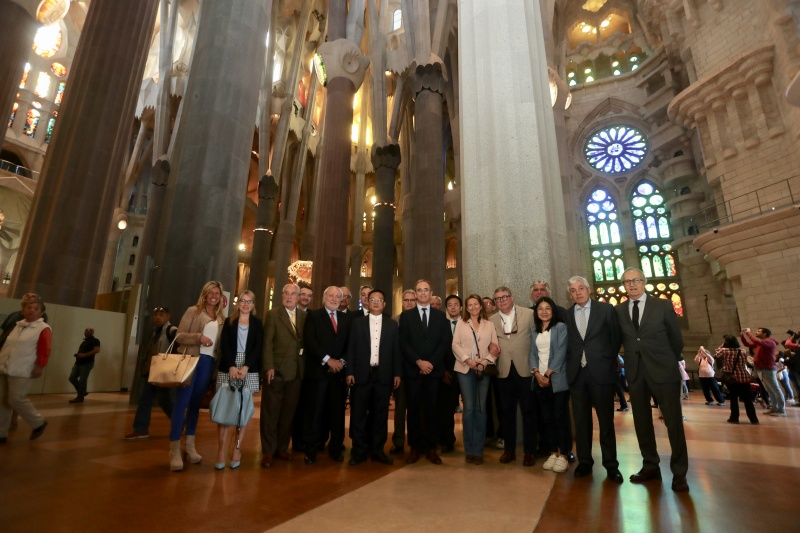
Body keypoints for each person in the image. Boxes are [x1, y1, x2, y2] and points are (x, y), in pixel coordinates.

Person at [615, 267, 688, 492]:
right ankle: (650, 466)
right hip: (636, 373)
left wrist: (666, 360)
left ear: (644, 281)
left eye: (636, 280)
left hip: (663, 371)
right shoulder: (619, 311)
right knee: (642, 422)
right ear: (624, 286)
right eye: (627, 282)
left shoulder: (663, 305)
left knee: (673, 422)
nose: (632, 285)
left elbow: (676, 340)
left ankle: (679, 473)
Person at [564, 276, 623, 483]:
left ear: (588, 289)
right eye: (573, 290)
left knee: (606, 422)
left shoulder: (606, 310)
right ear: (570, 294)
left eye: (581, 288)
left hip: (601, 372)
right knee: (581, 422)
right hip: (577, 375)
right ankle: (585, 462)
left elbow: (615, 338)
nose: (577, 292)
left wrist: (605, 358)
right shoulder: (567, 314)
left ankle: (611, 465)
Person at [169, 280, 226, 472]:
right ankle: (174, 449)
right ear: (204, 294)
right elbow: (179, 335)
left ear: (220, 296)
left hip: (208, 363)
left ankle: (190, 447)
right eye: (211, 292)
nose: (214, 296)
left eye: (217, 293)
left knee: (195, 406)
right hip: (191, 360)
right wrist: (198, 338)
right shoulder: (193, 311)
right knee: (181, 404)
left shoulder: (220, 317)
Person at [345, 289, 402, 465]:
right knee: (358, 414)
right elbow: (351, 349)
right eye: (372, 299)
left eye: (380, 299)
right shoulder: (357, 323)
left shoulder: (392, 325)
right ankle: (359, 451)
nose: (376, 302)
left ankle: (378, 450)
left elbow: (396, 352)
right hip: (361, 375)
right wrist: (350, 372)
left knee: (380, 415)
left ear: (384, 304)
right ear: (367, 303)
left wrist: (397, 373)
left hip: (383, 375)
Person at [399, 279, 452, 465]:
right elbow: (403, 343)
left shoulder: (441, 317)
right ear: (415, 293)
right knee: (413, 410)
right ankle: (414, 447)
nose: (422, 293)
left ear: (431, 293)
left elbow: (445, 342)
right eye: (419, 290)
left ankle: (431, 448)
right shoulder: (406, 317)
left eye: (426, 290)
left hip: (434, 372)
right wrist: (418, 362)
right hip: (413, 370)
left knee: (432, 410)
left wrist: (430, 363)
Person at [488, 286, 538, 467]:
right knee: (506, 413)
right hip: (503, 371)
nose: (501, 301)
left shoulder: (528, 314)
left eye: (504, 297)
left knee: (528, 412)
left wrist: (536, 367)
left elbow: (536, 340)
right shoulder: (491, 319)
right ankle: (509, 450)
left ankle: (529, 451)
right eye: (498, 299)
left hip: (525, 369)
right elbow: (488, 343)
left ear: (512, 297)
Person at [214, 290, 263, 470]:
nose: (245, 304)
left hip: (248, 369)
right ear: (238, 303)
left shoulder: (257, 324)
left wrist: (246, 366)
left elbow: (258, 347)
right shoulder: (229, 322)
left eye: (249, 301)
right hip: (229, 366)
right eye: (243, 300)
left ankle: (236, 449)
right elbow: (224, 346)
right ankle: (220, 451)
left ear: (253, 304)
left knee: (243, 412)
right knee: (225, 410)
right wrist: (232, 366)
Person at [302, 286, 351, 464]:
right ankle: (311, 449)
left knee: (337, 413)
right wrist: (328, 360)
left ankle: (336, 448)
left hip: (339, 374)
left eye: (338, 296)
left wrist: (341, 362)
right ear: (324, 298)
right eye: (331, 295)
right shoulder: (314, 316)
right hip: (318, 373)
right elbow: (310, 341)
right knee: (315, 412)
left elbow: (350, 344)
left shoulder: (347, 319)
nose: (334, 299)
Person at [261, 283, 306, 468]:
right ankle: (268, 451)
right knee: (271, 413)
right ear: (281, 296)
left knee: (288, 413)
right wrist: (269, 366)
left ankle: (281, 447)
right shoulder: (273, 314)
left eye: (292, 294)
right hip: (277, 371)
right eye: (286, 293)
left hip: (296, 372)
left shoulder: (304, 316)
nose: (289, 297)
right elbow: (267, 342)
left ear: (298, 297)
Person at [452, 294, 498, 465]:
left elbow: (494, 347)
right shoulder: (461, 323)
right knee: (469, 408)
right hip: (465, 369)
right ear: (466, 307)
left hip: (483, 370)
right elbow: (455, 345)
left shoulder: (490, 325)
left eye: (475, 304)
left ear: (481, 306)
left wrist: (485, 362)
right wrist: (468, 360)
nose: (473, 307)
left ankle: (478, 451)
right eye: (469, 305)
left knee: (481, 408)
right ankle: (469, 449)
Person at [0, 294, 51, 443]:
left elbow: (45, 349)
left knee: (15, 399)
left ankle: (38, 422)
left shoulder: (43, 328)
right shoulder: (18, 325)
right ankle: (1, 433)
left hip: (23, 369)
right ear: (23, 310)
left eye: (36, 309)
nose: (32, 311)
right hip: (4, 366)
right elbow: (7, 345)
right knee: (2, 401)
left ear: (41, 312)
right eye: (29, 308)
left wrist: (40, 366)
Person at [529, 296, 570, 473]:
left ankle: (564, 453)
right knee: (547, 418)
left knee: (560, 417)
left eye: (547, 308)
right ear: (536, 312)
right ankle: (553, 451)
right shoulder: (534, 331)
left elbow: (561, 352)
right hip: (540, 379)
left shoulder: (560, 327)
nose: (544, 311)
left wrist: (548, 373)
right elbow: (532, 353)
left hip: (557, 378)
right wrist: (537, 373)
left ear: (553, 311)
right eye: (540, 309)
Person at [124, 307, 177, 439]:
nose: (158, 317)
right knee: (147, 398)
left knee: (163, 400)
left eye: (161, 314)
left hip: (163, 370)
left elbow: (178, 349)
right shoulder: (156, 332)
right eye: (156, 315)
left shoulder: (171, 330)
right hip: (153, 370)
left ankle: (180, 422)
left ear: (168, 316)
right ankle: (141, 429)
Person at [389, 289, 416, 454]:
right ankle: (398, 441)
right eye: (406, 300)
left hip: (416, 372)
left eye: (412, 300)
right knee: (400, 410)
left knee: (416, 409)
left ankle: (415, 442)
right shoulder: (394, 321)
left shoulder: (421, 319)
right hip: (400, 372)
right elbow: (393, 349)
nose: (409, 303)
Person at [438, 294, 463, 454]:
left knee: (471, 408)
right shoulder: (441, 324)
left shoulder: (468, 323)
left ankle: (472, 440)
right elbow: (438, 349)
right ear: (446, 308)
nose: (453, 307)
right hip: (448, 373)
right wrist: (442, 371)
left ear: (461, 307)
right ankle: (448, 440)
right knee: (446, 409)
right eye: (450, 305)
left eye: (456, 304)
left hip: (467, 370)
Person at [741, 327, 784, 416]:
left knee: (776, 389)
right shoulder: (761, 343)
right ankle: (774, 408)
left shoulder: (769, 341)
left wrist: (749, 333)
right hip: (761, 369)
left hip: (768, 368)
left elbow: (756, 341)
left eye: (759, 331)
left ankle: (781, 410)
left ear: (765, 333)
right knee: (769, 390)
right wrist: (742, 336)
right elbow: (747, 344)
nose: (756, 332)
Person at [717, 335, 758, 424]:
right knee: (748, 400)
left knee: (733, 399)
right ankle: (753, 419)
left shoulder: (724, 351)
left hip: (732, 379)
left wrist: (722, 345)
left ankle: (734, 418)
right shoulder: (742, 351)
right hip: (743, 377)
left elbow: (716, 355)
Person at [68, 327, 100, 403]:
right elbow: (80, 353)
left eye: (90, 330)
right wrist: (75, 363)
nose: (88, 331)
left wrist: (84, 355)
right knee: (72, 378)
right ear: (84, 332)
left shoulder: (95, 340)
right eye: (86, 330)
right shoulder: (84, 342)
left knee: (82, 380)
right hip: (79, 363)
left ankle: (80, 397)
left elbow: (97, 350)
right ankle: (83, 392)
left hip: (87, 363)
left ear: (93, 333)